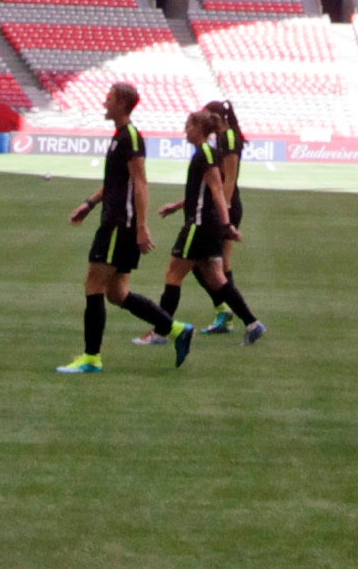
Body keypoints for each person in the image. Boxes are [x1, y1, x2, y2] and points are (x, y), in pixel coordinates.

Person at [60, 79, 182, 373]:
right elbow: (116, 183)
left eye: (109, 98)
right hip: (117, 221)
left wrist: (142, 227)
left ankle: (91, 358)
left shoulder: (130, 137)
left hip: (119, 225)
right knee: (117, 293)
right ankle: (175, 328)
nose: (104, 102)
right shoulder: (121, 136)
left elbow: (140, 182)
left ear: (123, 104)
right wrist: (89, 205)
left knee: (94, 284)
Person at [173, 97, 266, 340]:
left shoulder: (229, 138)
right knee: (207, 265)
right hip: (218, 208)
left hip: (224, 207)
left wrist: (222, 213)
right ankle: (236, 315)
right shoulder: (219, 142)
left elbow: (227, 179)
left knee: (218, 266)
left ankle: (231, 314)